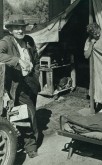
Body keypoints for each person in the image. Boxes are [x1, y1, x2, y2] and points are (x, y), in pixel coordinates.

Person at [0, 14, 40, 158]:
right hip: (16, 84)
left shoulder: (29, 40)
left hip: (30, 82)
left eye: (22, 27)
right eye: (16, 28)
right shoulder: (6, 42)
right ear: (10, 30)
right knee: (27, 114)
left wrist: (36, 75)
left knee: (29, 112)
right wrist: (17, 60)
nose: (20, 31)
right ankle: (31, 146)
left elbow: (36, 59)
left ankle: (24, 140)